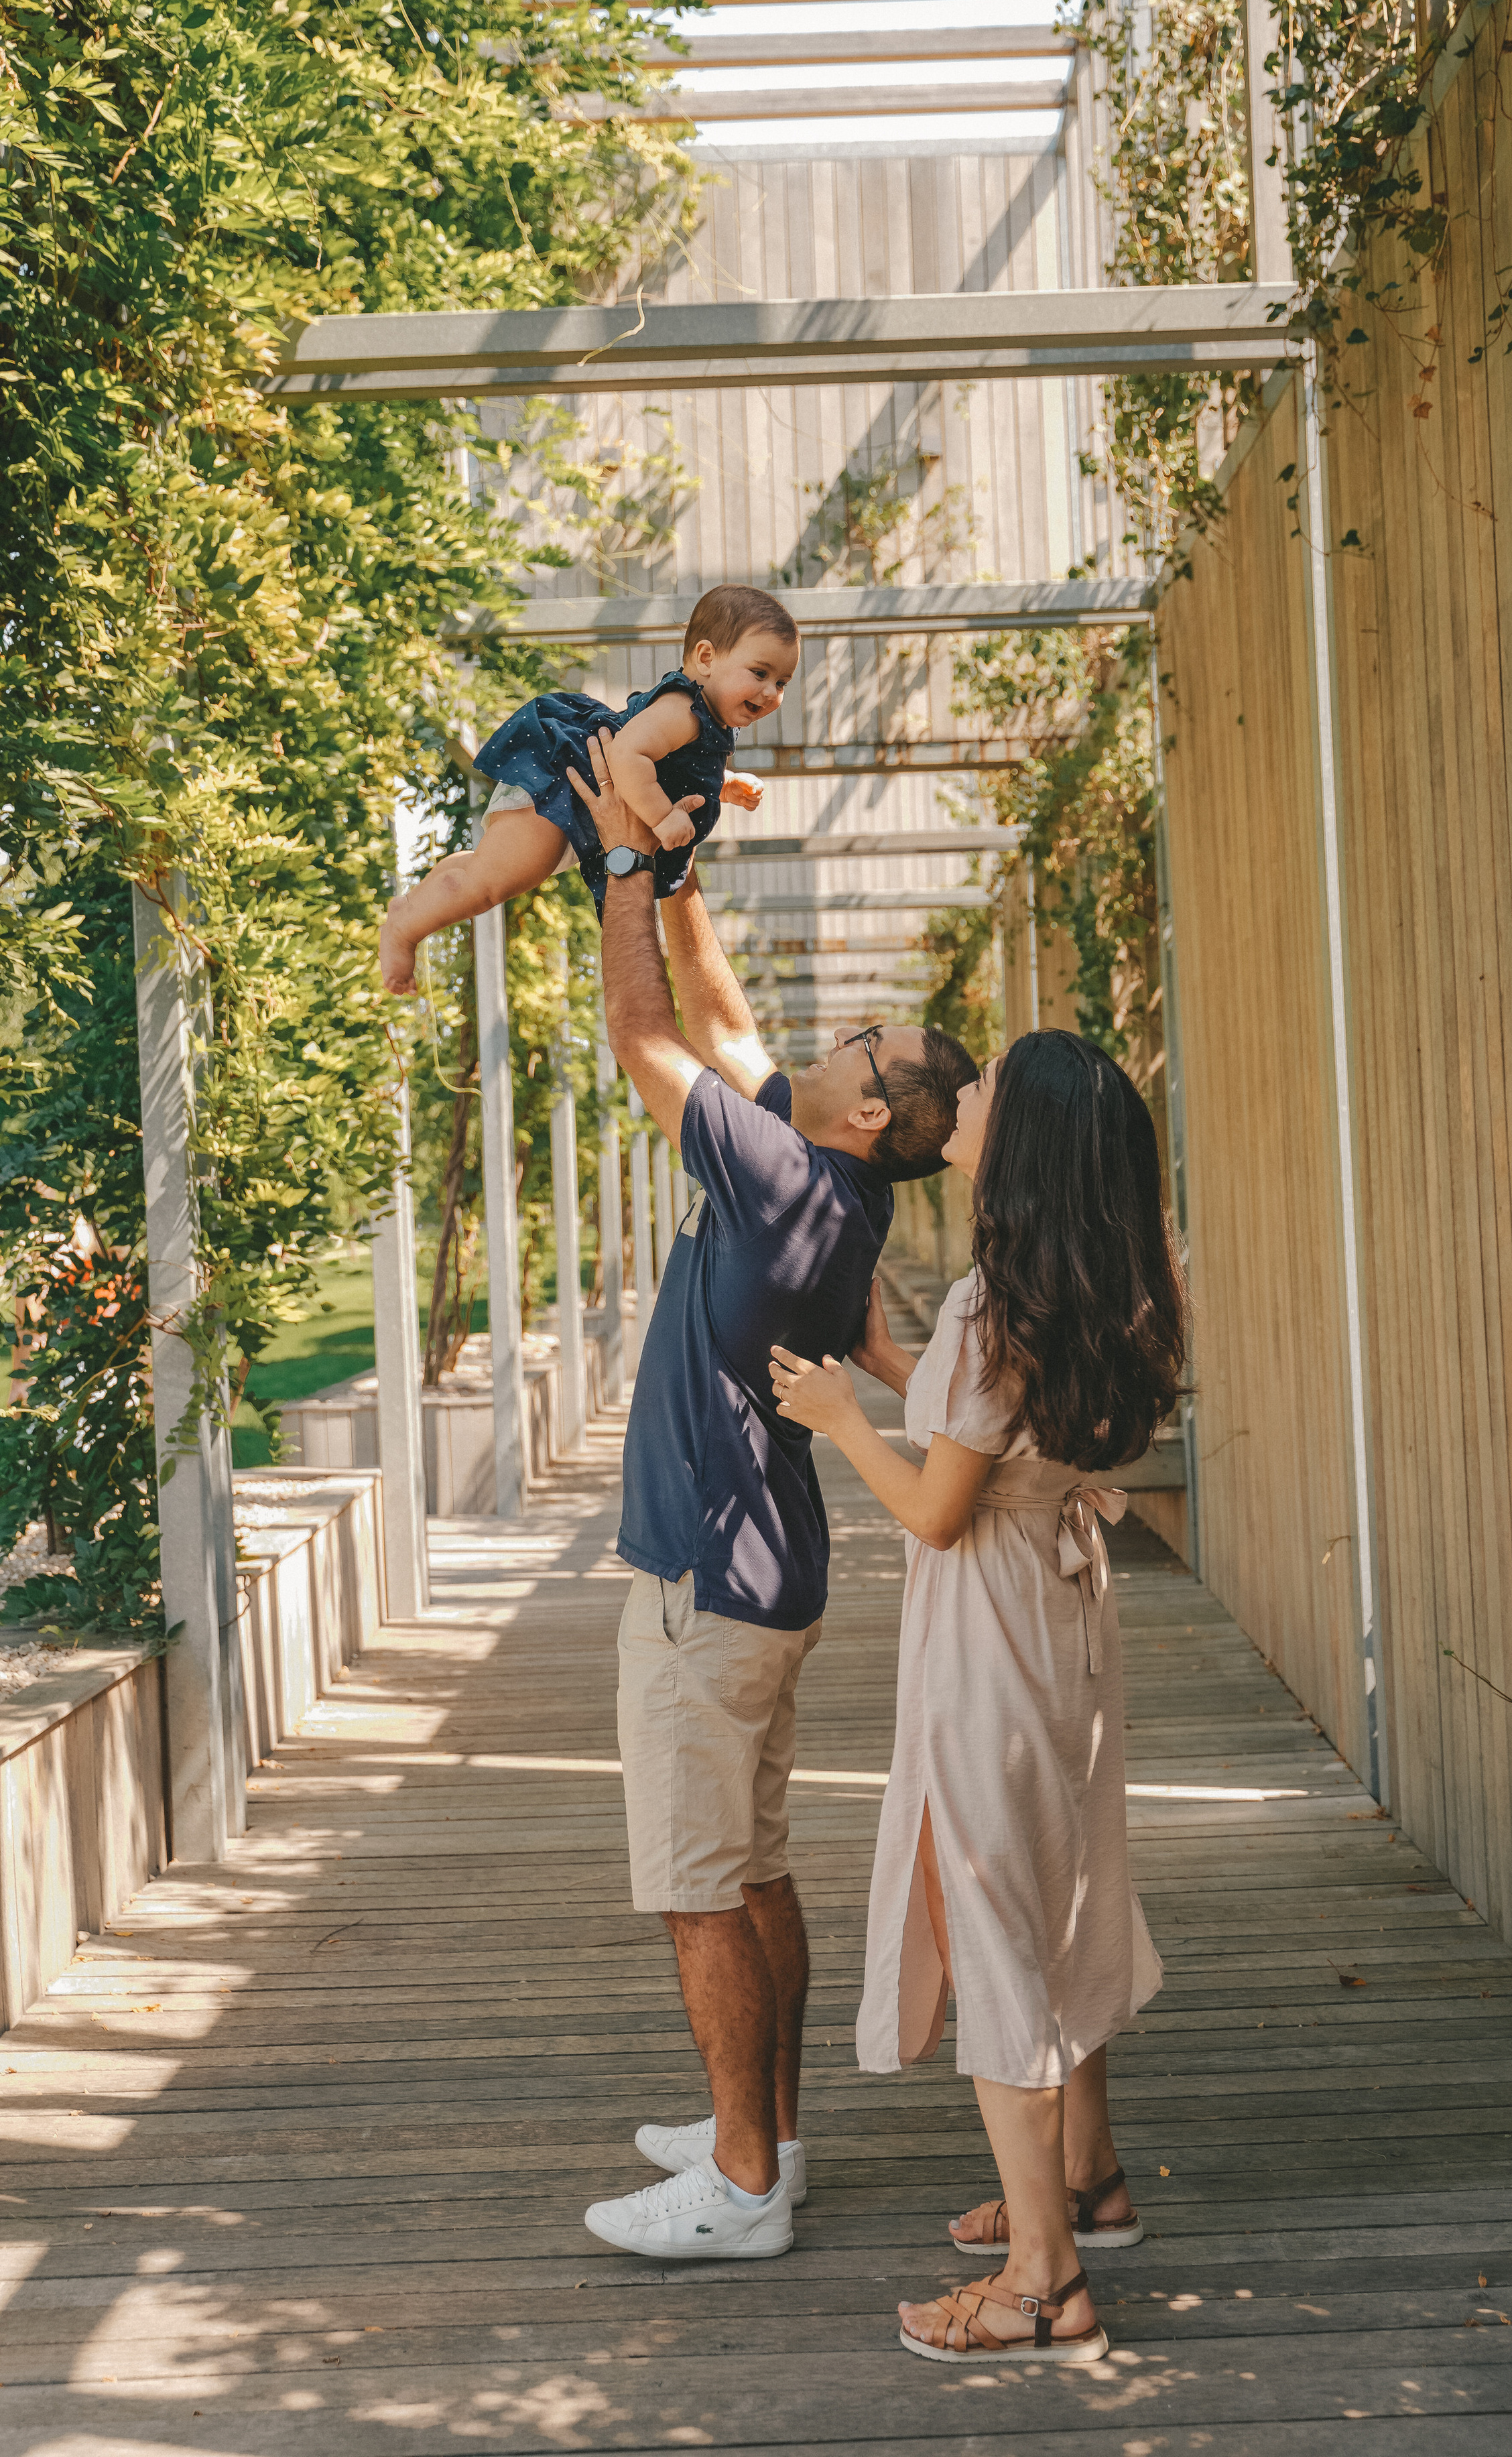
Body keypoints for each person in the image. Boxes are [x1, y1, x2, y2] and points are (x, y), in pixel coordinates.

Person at [568, 735, 979, 2264]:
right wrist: (683, 882)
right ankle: (776, 2134)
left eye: (867, 1049)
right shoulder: (837, 1185)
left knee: (694, 1891)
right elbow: (728, 1021)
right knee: (752, 1867)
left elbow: (643, 1026)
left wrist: (617, 862)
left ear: (865, 1115)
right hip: (776, 1576)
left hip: (705, 1589)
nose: (847, 1032)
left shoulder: (775, 1170)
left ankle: (739, 2182)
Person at [770, 1029, 1186, 2363]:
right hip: (1063, 1625)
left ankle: (1040, 2282)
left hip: (987, 1640)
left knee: (995, 1922)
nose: (962, 1096)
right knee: (1060, 1892)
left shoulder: (988, 1306)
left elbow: (940, 1511)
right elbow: (995, 1434)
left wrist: (838, 1418)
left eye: (987, 1087)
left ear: (1020, 1142)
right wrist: (893, 1374)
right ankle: (1087, 2179)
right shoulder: (1096, 1288)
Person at [377, 584, 796, 994]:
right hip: (566, 786)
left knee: (486, 873)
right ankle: (404, 930)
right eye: (760, 673)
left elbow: (671, 767)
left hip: (571, 799)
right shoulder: (683, 711)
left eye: (782, 683)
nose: (770, 693)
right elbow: (629, 754)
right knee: (488, 887)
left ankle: (414, 906)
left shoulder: (704, 718)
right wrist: (661, 816)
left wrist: (722, 786)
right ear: (706, 658)